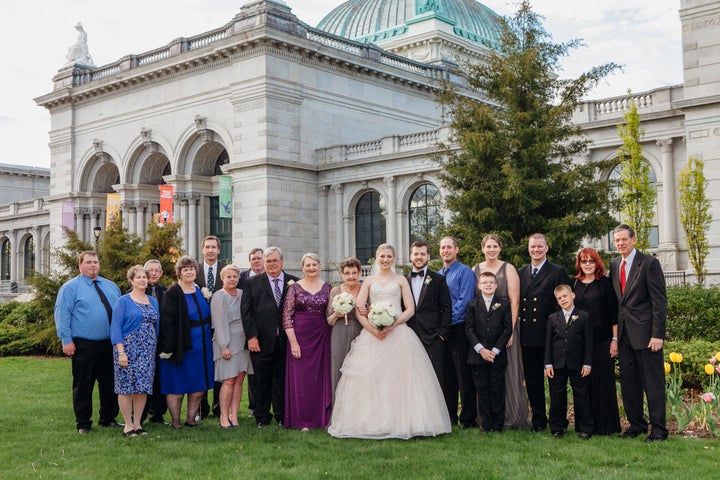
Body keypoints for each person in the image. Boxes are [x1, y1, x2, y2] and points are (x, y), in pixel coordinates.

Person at [328, 243, 451, 439]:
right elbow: (359, 308)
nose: (385, 260)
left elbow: (409, 309)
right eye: (382, 256)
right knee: (374, 379)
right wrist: (372, 329)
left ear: (393, 258)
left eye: (388, 256)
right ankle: (372, 422)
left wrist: (392, 325)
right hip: (372, 335)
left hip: (399, 333)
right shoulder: (368, 280)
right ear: (377, 257)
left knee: (400, 379)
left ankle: (403, 422)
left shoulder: (401, 279)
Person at [610, 224, 668, 442]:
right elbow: (619, 303)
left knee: (652, 384)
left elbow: (659, 302)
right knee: (629, 383)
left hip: (646, 336)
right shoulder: (615, 264)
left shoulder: (649, 263)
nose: (620, 243)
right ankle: (636, 425)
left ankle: (659, 430)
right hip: (625, 336)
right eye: (617, 240)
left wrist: (658, 335)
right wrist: (615, 337)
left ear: (634, 240)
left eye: (624, 239)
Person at [54, 250, 122, 433]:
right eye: (89, 262)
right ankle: (83, 423)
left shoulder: (111, 286)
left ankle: (108, 418)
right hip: (84, 344)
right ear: (80, 265)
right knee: (84, 384)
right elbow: (62, 314)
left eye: (96, 262)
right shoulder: (70, 287)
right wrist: (66, 339)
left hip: (109, 344)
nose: (93, 265)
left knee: (110, 383)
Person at [472, 234, 529, 429]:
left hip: (505, 328)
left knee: (507, 372)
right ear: (482, 248)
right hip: (482, 331)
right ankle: (485, 419)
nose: (491, 249)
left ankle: (510, 417)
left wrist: (511, 331)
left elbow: (515, 301)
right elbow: (475, 303)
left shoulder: (508, 269)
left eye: (495, 246)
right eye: (488, 246)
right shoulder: (476, 269)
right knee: (484, 378)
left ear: (500, 248)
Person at [518, 233, 570, 432]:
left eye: (540, 246)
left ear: (547, 248)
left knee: (556, 381)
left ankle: (558, 422)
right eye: (533, 247)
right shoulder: (521, 272)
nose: (536, 250)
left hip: (552, 334)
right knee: (533, 380)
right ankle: (539, 420)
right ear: (528, 248)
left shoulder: (557, 271)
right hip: (529, 336)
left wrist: (560, 332)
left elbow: (563, 305)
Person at [241, 246, 299, 427]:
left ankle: (282, 416)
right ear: (263, 263)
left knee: (281, 381)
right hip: (260, 341)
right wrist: (251, 337)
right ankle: (262, 417)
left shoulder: (294, 282)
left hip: (284, 341)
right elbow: (246, 312)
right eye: (268, 261)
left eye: (275, 260)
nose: (271, 264)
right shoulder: (251, 283)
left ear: (282, 262)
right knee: (261, 381)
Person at [157, 256, 214, 429]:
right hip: (181, 344)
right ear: (179, 273)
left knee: (199, 385)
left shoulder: (200, 290)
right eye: (185, 269)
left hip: (202, 344)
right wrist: (167, 348)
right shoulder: (173, 292)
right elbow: (166, 322)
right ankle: (175, 421)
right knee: (177, 385)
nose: (189, 272)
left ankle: (191, 419)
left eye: (192, 269)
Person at [572, 247, 621, 435]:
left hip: (602, 341)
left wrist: (614, 340)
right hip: (580, 343)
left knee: (603, 383)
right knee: (582, 385)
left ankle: (606, 426)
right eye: (583, 261)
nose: (587, 265)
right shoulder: (574, 284)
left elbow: (614, 314)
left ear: (597, 263)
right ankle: (585, 426)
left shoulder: (606, 284)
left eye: (591, 261)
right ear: (579, 264)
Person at [283, 253, 332, 430]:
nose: (311, 268)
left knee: (319, 378)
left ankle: (321, 418)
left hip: (322, 336)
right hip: (300, 337)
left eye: (314, 265)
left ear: (319, 266)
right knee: (302, 379)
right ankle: (302, 420)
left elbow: (330, 312)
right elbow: (287, 317)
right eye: (308, 265)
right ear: (302, 268)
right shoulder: (294, 288)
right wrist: (294, 343)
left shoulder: (327, 287)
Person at [111, 265, 160, 436]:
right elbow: (115, 327)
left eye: (144, 277)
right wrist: (121, 352)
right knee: (125, 387)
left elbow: (157, 326)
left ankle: (138, 423)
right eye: (138, 277)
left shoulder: (152, 301)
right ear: (131, 280)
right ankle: (127, 424)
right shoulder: (123, 301)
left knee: (142, 387)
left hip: (147, 350)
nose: (142, 280)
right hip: (128, 349)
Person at [544, 284, 593, 439]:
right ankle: (557, 427)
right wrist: (548, 363)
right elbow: (548, 343)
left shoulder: (584, 316)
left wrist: (587, 363)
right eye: (559, 298)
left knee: (582, 395)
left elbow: (588, 342)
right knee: (557, 395)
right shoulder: (553, 318)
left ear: (572, 296)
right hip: (557, 363)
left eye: (564, 296)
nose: (562, 300)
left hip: (577, 363)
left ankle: (585, 428)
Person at [465, 271, 512, 432]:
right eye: (484, 282)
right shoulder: (472, 304)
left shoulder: (504, 304)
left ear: (496, 285)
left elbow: (507, 329)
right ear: (479, 286)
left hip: (497, 354)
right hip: (477, 355)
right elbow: (469, 329)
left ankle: (498, 425)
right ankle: (486, 424)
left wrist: (495, 350)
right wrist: (481, 349)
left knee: (497, 389)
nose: (488, 285)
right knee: (482, 389)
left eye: (491, 282)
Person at [438, 236, 478, 428]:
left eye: (449, 247)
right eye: (443, 247)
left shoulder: (465, 272)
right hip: (442, 332)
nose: (446, 250)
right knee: (447, 376)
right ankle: (450, 415)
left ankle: (468, 418)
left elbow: (465, 301)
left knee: (463, 374)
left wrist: (445, 323)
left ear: (457, 250)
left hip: (459, 328)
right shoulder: (437, 275)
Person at [211, 265, 253, 429]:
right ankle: (223, 416)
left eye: (235, 276)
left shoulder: (243, 294)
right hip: (227, 340)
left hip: (242, 341)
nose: (232, 279)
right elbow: (219, 323)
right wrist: (224, 346)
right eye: (228, 276)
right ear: (223, 278)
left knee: (239, 379)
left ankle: (234, 416)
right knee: (228, 380)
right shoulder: (218, 296)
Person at [406, 240, 451, 383]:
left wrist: (442, 335)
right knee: (412, 379)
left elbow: (446, 308)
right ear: (410, 257)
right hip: (409, 337)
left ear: (428, 256)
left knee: (435, 379)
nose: (419, 257)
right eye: (416, 254)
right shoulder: (403, 280)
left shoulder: (439, 279)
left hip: (433, 338)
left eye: (422, 254)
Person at [196, 235, 226, 418]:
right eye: (207, 247)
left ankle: (219, 406)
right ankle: (202, 408)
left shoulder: (225, 270)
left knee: (221, 367)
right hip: (200, 327)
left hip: (221, 326)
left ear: (219, 250)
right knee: (202, 366)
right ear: (202, 250)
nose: (210, 250)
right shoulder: (195, 270)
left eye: (213, 247)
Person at [326, 258, 363, 403]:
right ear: (342, 275)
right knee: (339, 368)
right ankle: (339, 411)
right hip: (339, 333)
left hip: (361, 332)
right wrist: (337, 313)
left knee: (359, 370)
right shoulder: (335, 291)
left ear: (359, 273)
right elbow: (329, 320)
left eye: (354, 273)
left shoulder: (364, 288)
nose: (351, 276)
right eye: (347, 273)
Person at [140, 259, 168, 425]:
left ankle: (157, 414)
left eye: (157, 270)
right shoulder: (133, 292)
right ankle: (140, 415)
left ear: (161, 273)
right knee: (143, 378)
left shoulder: (166, 291)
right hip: (142, 343)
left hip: (161, 343)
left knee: (160, 379)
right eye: (150, 270)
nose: (153, 273)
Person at [238, 247, 263, 416]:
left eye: (259, 258)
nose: (256, 261)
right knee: (251, 371)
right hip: (246, 328)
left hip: (267, 329)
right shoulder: (242, 278)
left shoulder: (271, 277)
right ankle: (254, 407)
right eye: (253, 258)